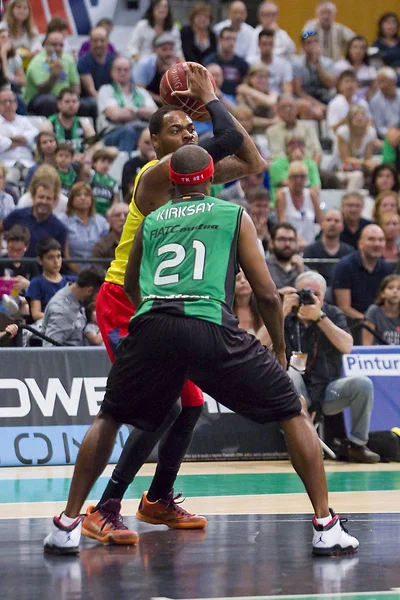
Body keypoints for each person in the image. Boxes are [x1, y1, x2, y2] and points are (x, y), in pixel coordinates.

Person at [43, 144, 359, 557]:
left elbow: (130, 285)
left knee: (109, 418)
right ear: (212, 179)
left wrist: (152, 319)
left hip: (153, 322)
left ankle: (66, 524)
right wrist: (279, 348)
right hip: (208, 323)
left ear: (172, 181)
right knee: (292, 410)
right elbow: (265, 292)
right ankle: (325, 525)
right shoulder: (232, 214)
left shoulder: (152, 219)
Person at [79, 63, 263, 544]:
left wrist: (214, 99)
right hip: (125, 300)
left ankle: (158, 499)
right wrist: (212, 99)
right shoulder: (152, 177)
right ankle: (103, 507)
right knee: (156, 407)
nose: (188, 131)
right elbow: (221, 141)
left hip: (163, 304)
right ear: (155, 143)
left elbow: (252, 160)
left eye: (191, 126)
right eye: (177, 128)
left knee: (190, 405)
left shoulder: (191, 176)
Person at [283, 271, 379, 463]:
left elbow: (347, 346)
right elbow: (259, 342)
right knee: (290, 374)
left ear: (324, 297)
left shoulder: (333, 313)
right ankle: (300, 443)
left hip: (328, 390)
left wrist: (320, 318)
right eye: (305, 292)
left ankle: (357, 445)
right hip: (295, 392)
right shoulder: (287, 315)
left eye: (315, 293)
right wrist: (281, 312)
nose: (310, 297)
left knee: (363, 384)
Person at [332, 224, 394, 340]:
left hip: (380, 323)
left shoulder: (387, 269)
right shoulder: (345, 267)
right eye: (371, 239)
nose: (377, 244)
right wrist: (370, 321)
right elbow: (344, 307)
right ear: (360, 244)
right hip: (351, 324)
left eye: (381, 240)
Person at [1, 171, 68, 256]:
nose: (44, 201)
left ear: (54, 201)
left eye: (48, 198)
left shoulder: (60, 229)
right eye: (41, 197)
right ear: (33, 197)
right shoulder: (17, 215)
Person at [100, 56, 157, 152]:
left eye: (126, 70)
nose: (122, 73)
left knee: (156, 132)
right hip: (113, 133)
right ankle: (126, 165)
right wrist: (142, 113)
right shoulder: (106, 90)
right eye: (119, 70)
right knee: (129, 131)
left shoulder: (141, 92)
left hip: (141, 129)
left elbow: (155, 114)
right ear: (111, 72)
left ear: (131, 72)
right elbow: (115, 115)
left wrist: (134, 110)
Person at [23, 31, 80, 117]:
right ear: (45, 45)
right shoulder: (38, 62)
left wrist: (73, 99)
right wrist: (54, 76)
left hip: (64, 98)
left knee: (89, 104)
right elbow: (43, 90)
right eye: (54, 45)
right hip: (37, 99)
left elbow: (75, 85)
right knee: (48, 101)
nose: (58, 48)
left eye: (61, 45)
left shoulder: (68, 59)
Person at [42, 268, 103, 346]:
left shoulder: (79, 298)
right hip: (72, 357)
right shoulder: (62, 311)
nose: (98, 301)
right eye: (99, 295)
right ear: (89, 290)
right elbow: (49, 351)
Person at [60, 182, 109, 273]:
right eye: (78, 195)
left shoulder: (102, 222)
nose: (83, 198)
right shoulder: (62, 220)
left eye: (86, 195)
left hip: (98, 271)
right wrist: (81, 273)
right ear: (71, 200)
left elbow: (105, 251)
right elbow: (66, 255)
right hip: (71, 271)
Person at [26, 237, 75, 322]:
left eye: (59, 256)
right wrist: (60, 318)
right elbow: (36, 314)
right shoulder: (37, 283)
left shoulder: (72, 281)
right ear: (40, 260)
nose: (56, 262)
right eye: (50, 257)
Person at [275, 161, 322, 249]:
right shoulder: (282, 195)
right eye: (295, 177)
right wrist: (298, 239)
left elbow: (321, 221)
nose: (298, 180)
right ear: (289, 178)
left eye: (302, 177)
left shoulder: (311, 194)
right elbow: (282, 222)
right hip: (289, 245)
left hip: (311, 244)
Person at [293, 30, 336, 121]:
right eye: (309, 43)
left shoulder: (327, 63)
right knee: (316, 112)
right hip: (305, 99)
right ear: (303, 47)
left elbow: (331, 84)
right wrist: (317, 105)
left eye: (316, 41)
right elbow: (298, 91)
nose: (313, 45)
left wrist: (317, 64)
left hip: (324, 97)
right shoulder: (297, 64)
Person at [303, 209, 354, 287]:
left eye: (337, 221)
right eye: (328, 220)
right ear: (322, 224)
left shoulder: (350, 252)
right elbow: (312, 279)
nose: (332, 224)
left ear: (342, 226)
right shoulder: (310, 250)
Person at [267, 94, 322, 165]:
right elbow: (277, 156)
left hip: (310, 167)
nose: (288, 110)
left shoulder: (308, 127)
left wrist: (313, 170)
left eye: (291, 106)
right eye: (283, 107)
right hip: (286, 171)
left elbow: (317, 151)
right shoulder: (272, 131)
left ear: (296, 109)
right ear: (278, 111)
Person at [332, 105, 378, 190]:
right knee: (357, 176)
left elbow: (368, 157)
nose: (359, 117)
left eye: (362, 115)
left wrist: (372, 165)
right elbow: (346, 159)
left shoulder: (371, 132)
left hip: (360, 166)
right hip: (339, 167)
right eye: (356, 115)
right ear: (350, 119)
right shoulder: (343, 132)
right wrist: (366, 162)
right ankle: (351, 200)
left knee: (380, 171)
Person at [0, 88, 37, 191]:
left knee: (39, 179)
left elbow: (34, 136)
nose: (8, 104)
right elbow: (1, 144)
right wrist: (22, 140)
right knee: (7, 181)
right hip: (6, 164)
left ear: (16, 104)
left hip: (28, 163)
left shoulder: (25, 121)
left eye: (11, 101)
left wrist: (10, 139)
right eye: (4, 101)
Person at [41, 87, 95, 155]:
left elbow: (95, 147)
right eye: (67, 102)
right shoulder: (48, 124)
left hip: (80, 163)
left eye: (74, 101)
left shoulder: (84, 124)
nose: (71, 105)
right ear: (59, 104)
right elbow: (45, 151)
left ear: (78, 104)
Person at [269, 136, 321, 205]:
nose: (296, 148)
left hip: (306, 204)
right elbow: (293, 185)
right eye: (292, 144)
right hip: (281, 205)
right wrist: (296, 161)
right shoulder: (277, 164)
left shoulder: (311, 164)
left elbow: (316, 188)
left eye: (300, 144)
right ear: (286, 148)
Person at [326, 70, 371, 140]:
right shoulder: (334, 104)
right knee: (343, 131)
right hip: (342, 139)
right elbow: (333, 128)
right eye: (346, 82)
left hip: (361, 138)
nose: (350, 85)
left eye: (353, 81)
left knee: (371, 132)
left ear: (357, 84)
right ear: (340, 86)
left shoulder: (363, 103)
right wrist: (349, 118)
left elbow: (370, 122)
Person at [203, 27, 248, 96]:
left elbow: (244, 87)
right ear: (219, 41)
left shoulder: (242, 64)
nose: (231, 42)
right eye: (227, 39)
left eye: (233, 39)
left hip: (235, 101)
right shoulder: (209, 61)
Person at [235, 63, 278, 132]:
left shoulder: (272, 93)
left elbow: (271, 103)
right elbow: (243, 119)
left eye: (266, 77)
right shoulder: (243, 96)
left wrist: (251, 92)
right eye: (259, 77)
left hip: (270, 132)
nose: (263, 80)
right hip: (250, 133)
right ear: (250, 78)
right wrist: (270, 122)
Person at [266, 222, 308, 292]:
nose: (287, 244)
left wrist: (301, 273)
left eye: (291, 240)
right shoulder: (263, 268)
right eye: (282, 239)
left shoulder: (302, 268)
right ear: (272, 243)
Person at [77, 27, 115, 103]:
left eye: (102, 40)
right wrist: (107, 103)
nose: (99, 44)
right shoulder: (83, 61)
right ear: (90, 42)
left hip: (111, 97)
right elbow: (91, 90)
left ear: (107, 41)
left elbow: (118, 85)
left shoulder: (114, 60)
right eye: (95, 41)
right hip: (91, 99)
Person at [333, 36, 377, 101]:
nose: (358, 51)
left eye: (362, 48)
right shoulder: (339, 66)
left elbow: (373, 88)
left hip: (364, 101)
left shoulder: (370, 69)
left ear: (365, 51)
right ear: (349, 49)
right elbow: (336, 88)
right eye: (355, 47)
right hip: (344, 100)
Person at [91, 203, 129, 278]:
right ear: (109, 220)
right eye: (117, 215)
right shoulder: (101, 246)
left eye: (126, 215)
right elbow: (96, 271)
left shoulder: (141, 241)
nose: (122, 218)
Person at [250, 29, 293, 95]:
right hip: (255, 97)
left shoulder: (284, 64)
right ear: (258, 44)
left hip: (278, 99)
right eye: (264, 44)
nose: (267, 47)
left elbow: (287, 89)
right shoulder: (250, 63)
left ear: (274, 44)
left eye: (270, 44)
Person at [233, 269, 269, 345]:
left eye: (247, 278)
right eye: (237, 279)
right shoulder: (226, 311)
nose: (243, 281)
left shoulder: (262, 310)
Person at [363, 274, 400, 345]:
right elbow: (366, 345)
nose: (395, 291)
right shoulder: (374, 311)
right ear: (382, 294)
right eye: (390, 288)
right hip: (378, 354)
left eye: (399, 289)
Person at [121, 128, 156, 201]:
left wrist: (155, 162)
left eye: (153, 143)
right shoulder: (130, 165)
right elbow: (129, 192)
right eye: (147, 143)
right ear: (138, 142)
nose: (151, 147)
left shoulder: (160, 163)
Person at [4, 0, 42, 66]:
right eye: (18, 7)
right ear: (11, 10)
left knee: (46, 63)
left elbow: (37, 46)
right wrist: (20, 55)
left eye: (25, 8)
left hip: (30, 61)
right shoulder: (3, 27)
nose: (22, 10)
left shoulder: (32, 29)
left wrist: (31, 53)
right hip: (8, 63)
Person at [369, 67, 400, 140]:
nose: (380, 86)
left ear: (393, 81)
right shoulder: (375, 100)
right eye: (378, 82)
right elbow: (379, 128)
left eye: (383, 81)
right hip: (388, 135)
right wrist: (393, 134)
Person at [87, 149, 119, 216]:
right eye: (103, 161)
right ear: (94, 163)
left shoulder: (113, 182)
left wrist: (111, 210)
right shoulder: (92, 175)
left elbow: (115, 201)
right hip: (90, 213)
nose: (106, 165)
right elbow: (86, 170)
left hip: (105, 215)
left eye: (109, 162)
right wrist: (90, 152)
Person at [0, 26, 25, 92]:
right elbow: (3, 78)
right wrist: (3, 54)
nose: (6, 39)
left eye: (9, 37)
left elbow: (23, 82)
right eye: (3, 37)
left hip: (10, 89)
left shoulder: (15, 57)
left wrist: (11, 77)